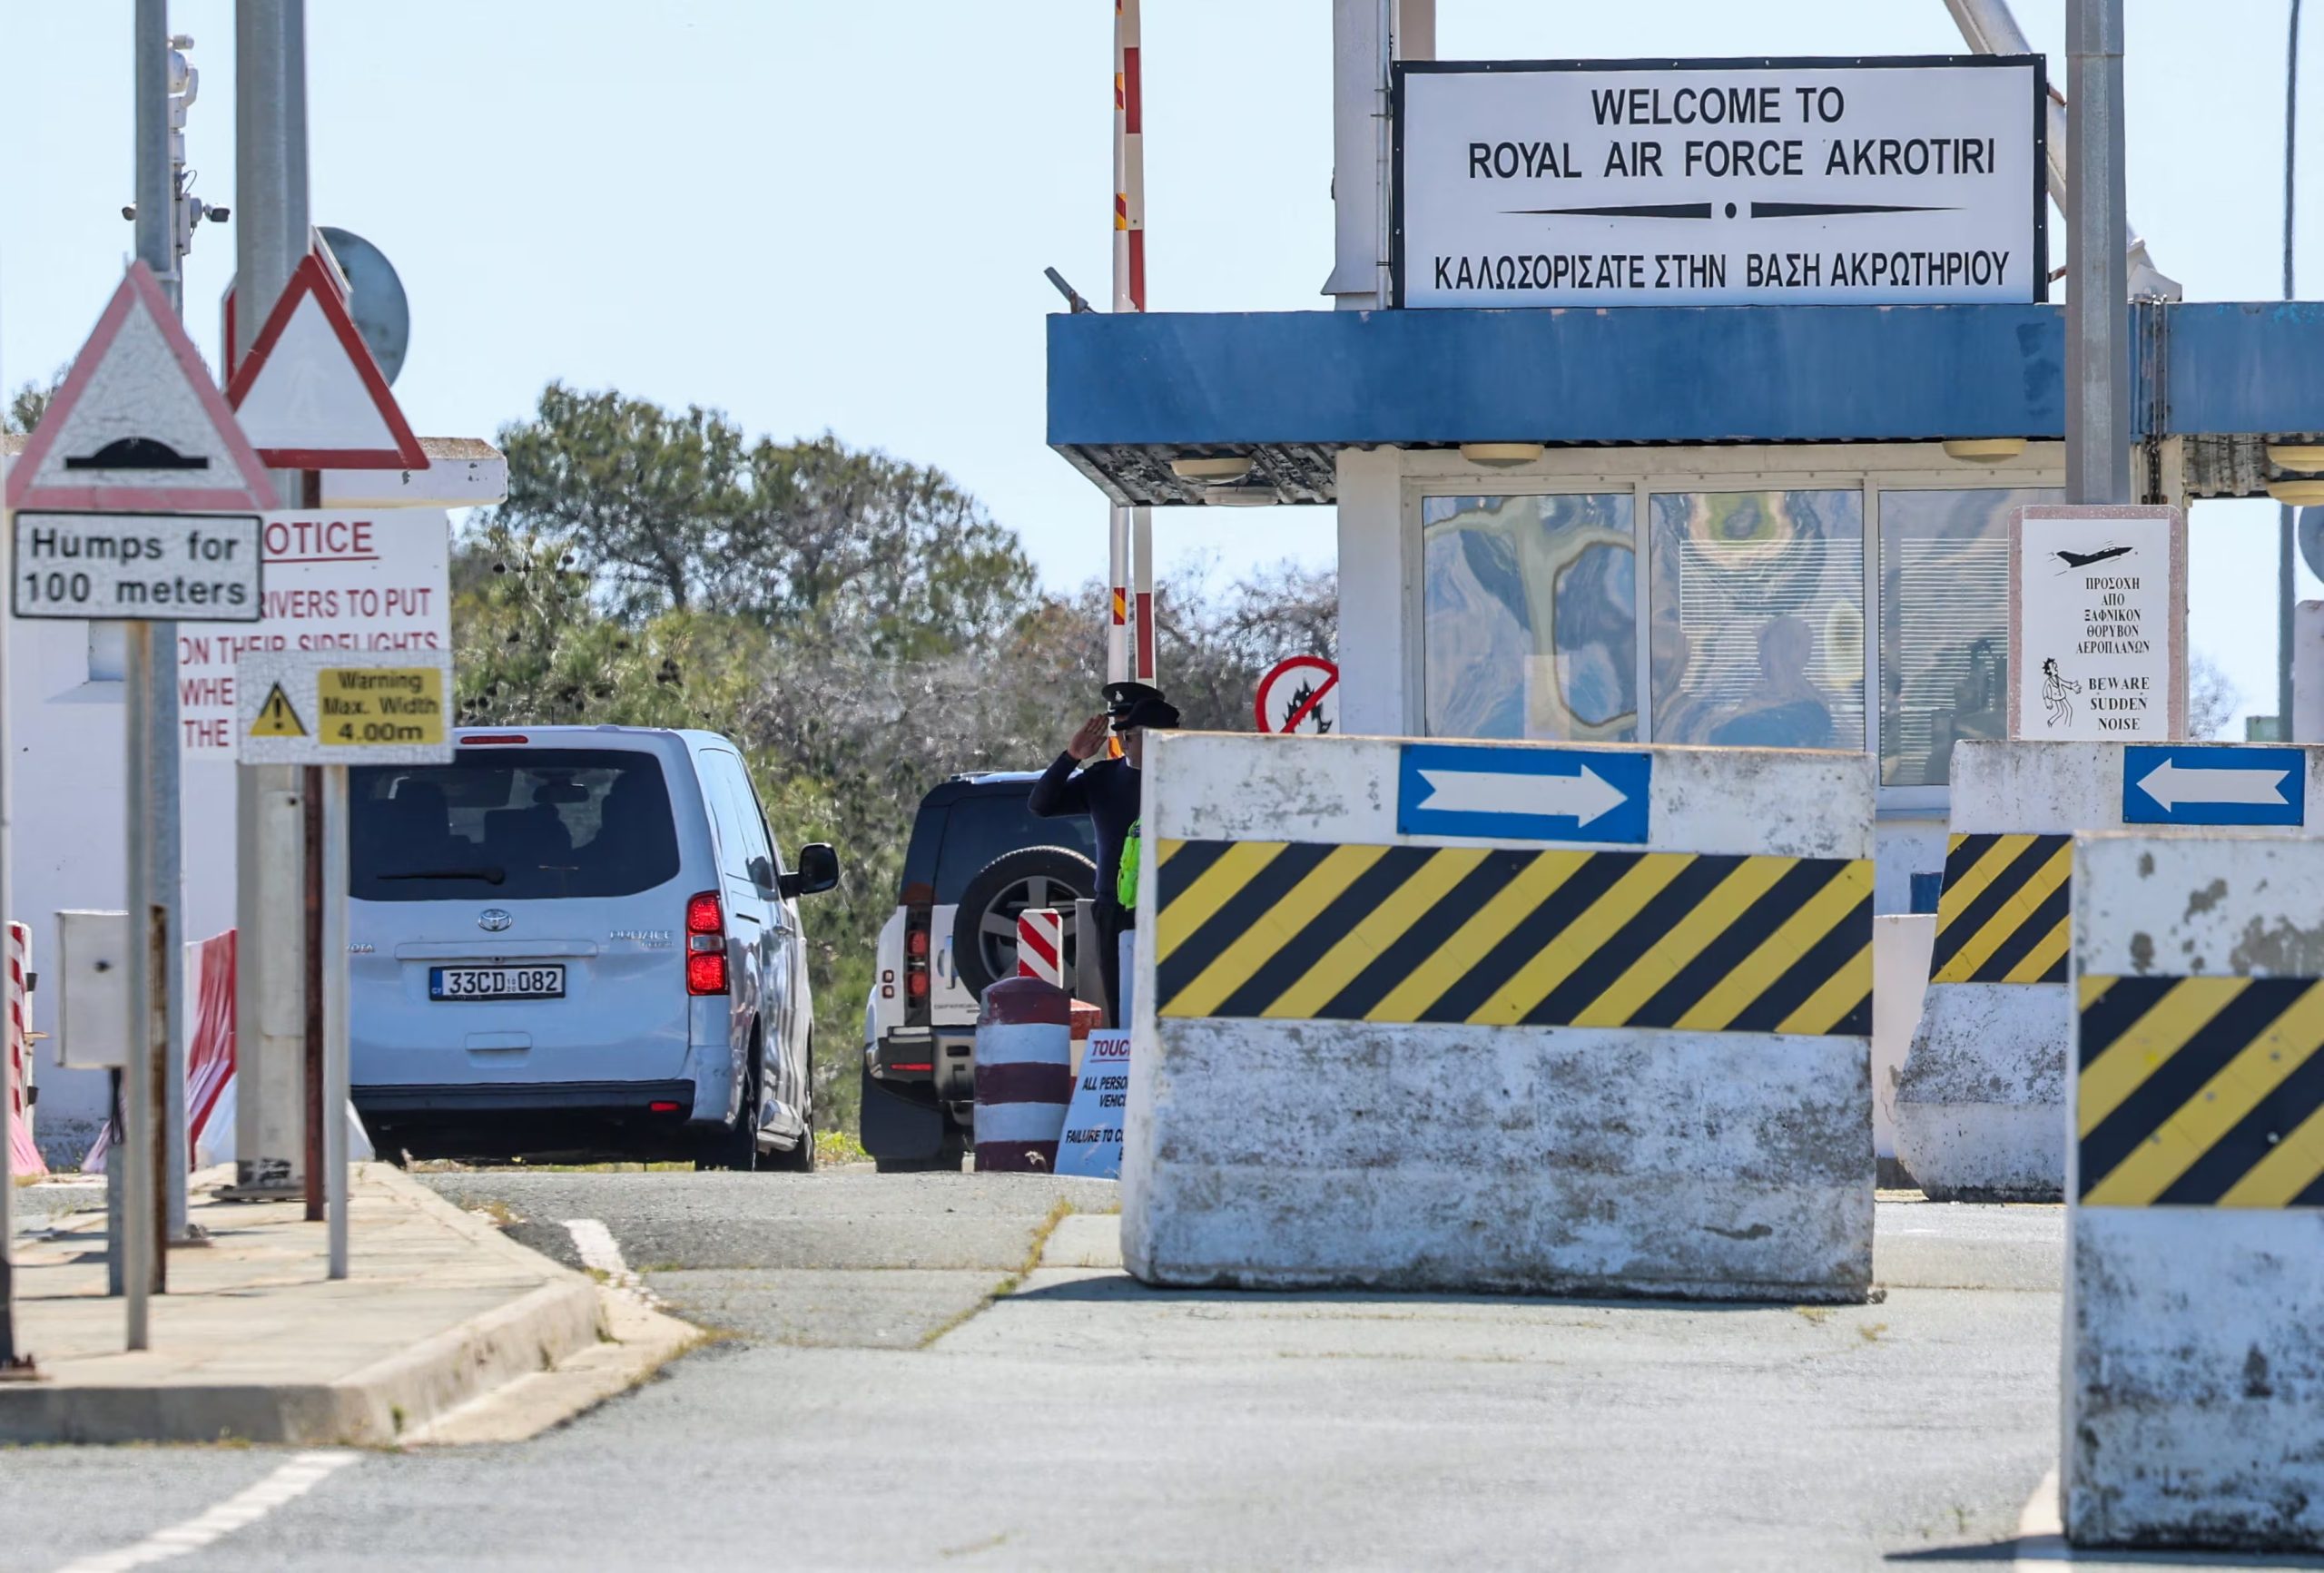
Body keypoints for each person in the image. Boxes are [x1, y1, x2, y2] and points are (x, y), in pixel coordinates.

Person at [1029, 690, 1181, 1024]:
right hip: (1116, 909)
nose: (1132, 743)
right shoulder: (1104, 778)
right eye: (1133, 737)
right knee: (1122, 1005)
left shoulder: (1190, 779)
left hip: (1176, 907)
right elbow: (1040, 805)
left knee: (1174, 1008)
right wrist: (1071, 757)